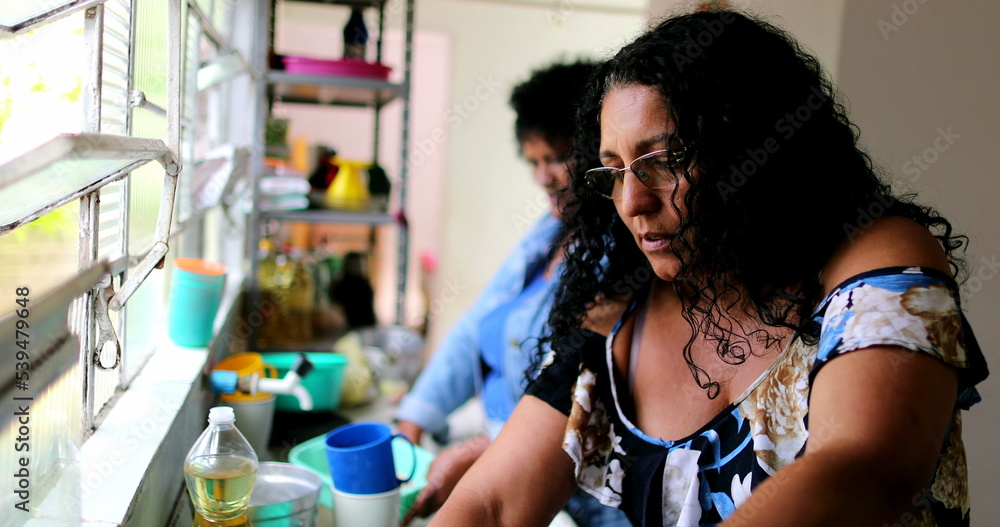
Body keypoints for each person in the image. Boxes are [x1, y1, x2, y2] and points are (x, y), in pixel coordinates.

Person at [430, 9, 988, 527]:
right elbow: (493, 503)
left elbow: (863, 473)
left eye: (666, 160)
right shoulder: (621, 312)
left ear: (755, 147)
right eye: (614, 171)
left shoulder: (876, 257)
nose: (632, 201)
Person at [396, 60, 631, 526]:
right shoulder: (547, 231)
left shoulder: (624, 251)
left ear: (595, 152)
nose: (544, 176)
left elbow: (580, 387)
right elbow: (476, 325)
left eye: (557, 157)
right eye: (534, 162)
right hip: (509, 465)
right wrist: (412, 423)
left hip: (580, 499)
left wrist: (489, 452)